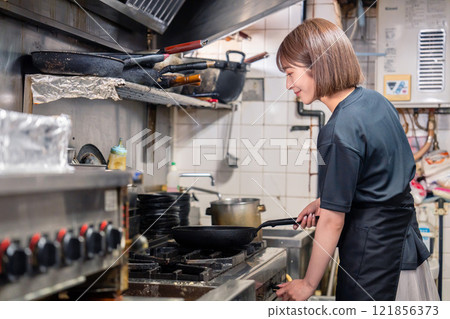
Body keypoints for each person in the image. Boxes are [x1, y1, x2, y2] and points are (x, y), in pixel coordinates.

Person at [275, 18, 439, 301]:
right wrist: (325, 202)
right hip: (405, 252)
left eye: (291, 73)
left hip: (373, 265)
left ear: (317, 65)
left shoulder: (338, 129)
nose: (289, 85)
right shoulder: (376, 101)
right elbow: (377, 180)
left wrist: (308, 284)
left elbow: (331, 223)